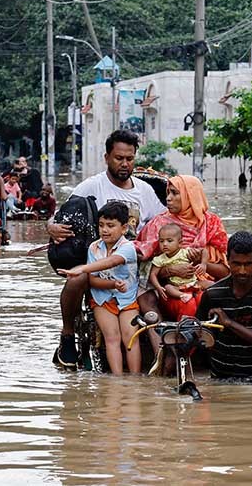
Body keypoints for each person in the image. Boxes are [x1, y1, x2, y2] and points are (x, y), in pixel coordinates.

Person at [48, 130, 166, 369]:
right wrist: (50, 226)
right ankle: (68, 334)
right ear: (107, 158)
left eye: (129, 159)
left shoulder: (145, 191)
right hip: (98, 263)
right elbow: (60, 215)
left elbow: (164, 224)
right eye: (119, 158)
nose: (125, 164)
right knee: (76, 278)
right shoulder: (92, 186)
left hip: (134, 264)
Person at [58, 202, 141, 374]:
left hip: (127, 298)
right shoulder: (94, 248)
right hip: (102, 298)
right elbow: (94, 281)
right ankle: (117, 379)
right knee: (112, 338)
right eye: (101, 225)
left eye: (110, 226)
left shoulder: (128, 247)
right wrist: (112, 284)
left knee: (130, 338)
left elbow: (111, 262)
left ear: (124, 228)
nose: (105, 230)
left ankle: (135, 379)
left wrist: (82, 268)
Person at [134, 174, 230, 322]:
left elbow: (226, 273)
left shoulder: (212, 224)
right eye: (168, 193)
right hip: (172, 290)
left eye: (175, 193)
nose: (168, 198)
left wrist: (201, 263)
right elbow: (142, 271)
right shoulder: (159, 225)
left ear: (190, 195)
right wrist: (171, 270)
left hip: (206, 288)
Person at [196, 231, 252, 382]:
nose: (242, 271)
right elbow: (200, 333)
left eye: (248, 264)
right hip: (219, 378)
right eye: (236, 264)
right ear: (227, 260)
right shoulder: (212, 294)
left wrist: (229, 323)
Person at [149, 223, 213, 305]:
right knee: (168, 288)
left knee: (210, 284)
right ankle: (183, 295)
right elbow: (153, 274)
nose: (165, 244)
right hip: (177, 287)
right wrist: (158, 287)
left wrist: (203, 264)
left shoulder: (185, 252)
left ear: (180, 243)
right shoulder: (160, 259)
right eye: (161, 241)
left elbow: (204, 251)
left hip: (193, 283)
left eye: (169, 241)